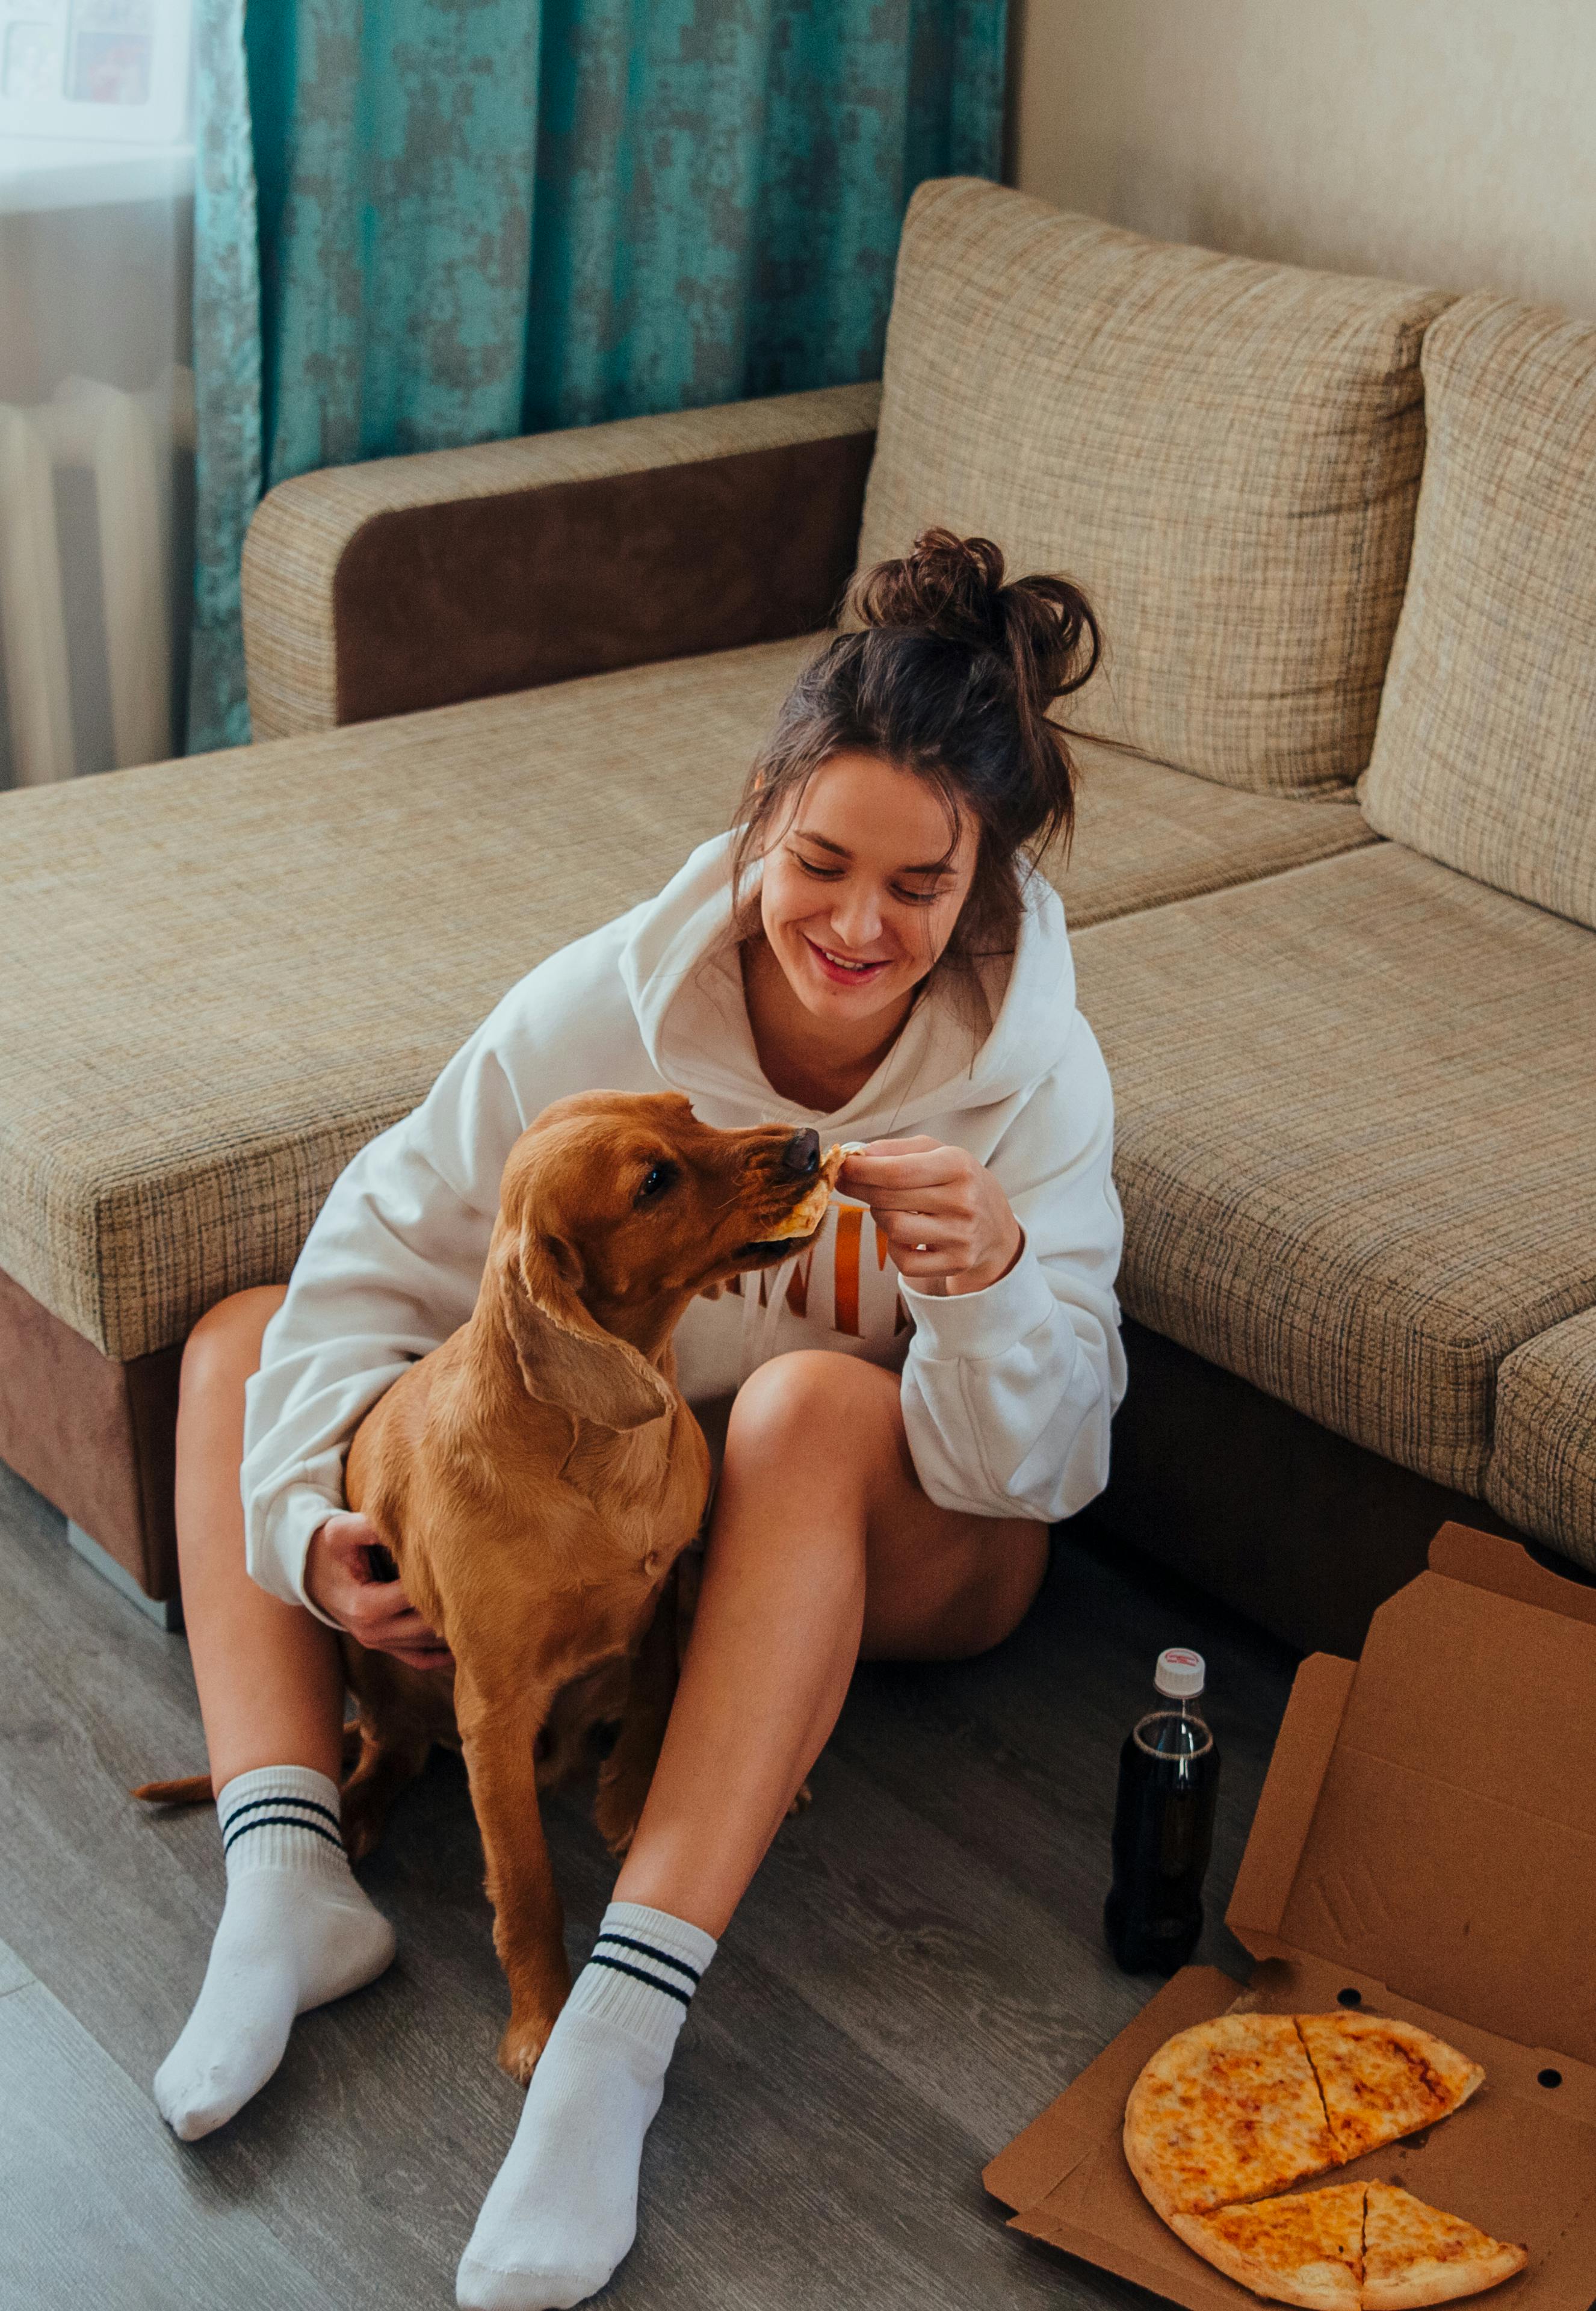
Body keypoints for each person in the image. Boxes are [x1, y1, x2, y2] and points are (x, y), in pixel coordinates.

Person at [153, 529, 1126, 2310]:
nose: (854, 924)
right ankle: (289, 1872)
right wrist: (310, 1539)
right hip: (628, 1549)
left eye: (915, 891)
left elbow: (1044, 1466)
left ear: (980, 890)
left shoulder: (1032, 1078)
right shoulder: (605, 1010)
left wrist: (985, 1277)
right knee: (243, 1340)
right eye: (817, 862)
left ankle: (615, 2023)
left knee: (806, 1414)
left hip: (909, 1550)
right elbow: (376, 1251)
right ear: (759, 825)